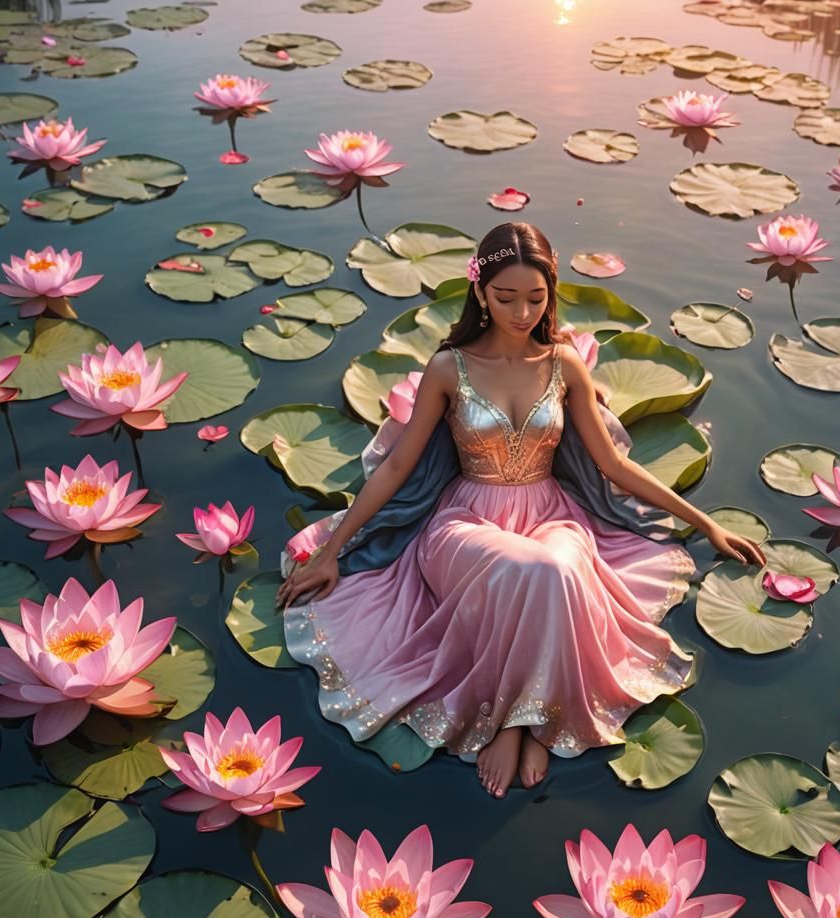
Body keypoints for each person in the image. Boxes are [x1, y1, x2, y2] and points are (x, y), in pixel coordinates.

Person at [276, 222, 765, 798]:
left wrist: (705, 522)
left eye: (537, 298)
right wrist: (333, 552)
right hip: (464, 523)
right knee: (529, 569)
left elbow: (613, 466)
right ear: (480, 293)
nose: (522, 311)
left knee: (555, 567)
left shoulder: (564, 365)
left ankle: (530, 717)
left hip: (552, 516)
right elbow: (396, 468)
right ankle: (514, 720)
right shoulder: (448, 368)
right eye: (506, 297)